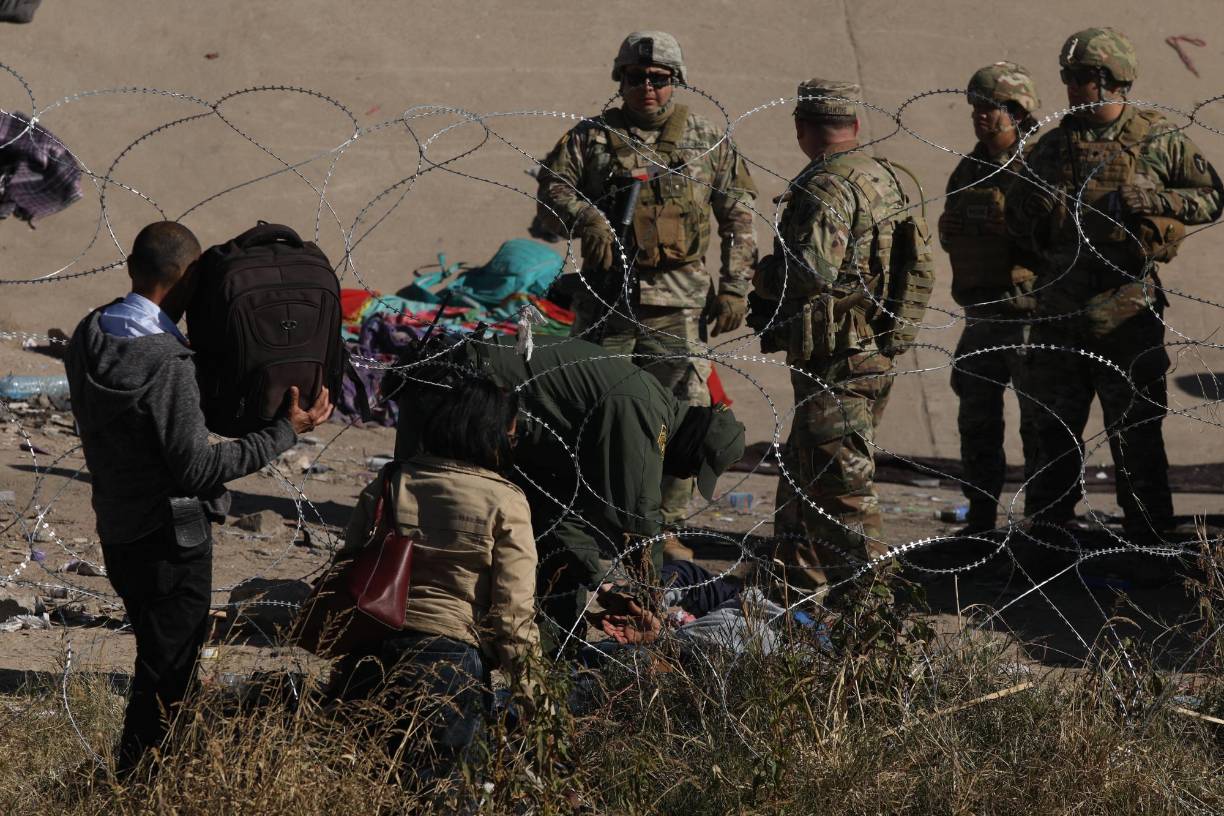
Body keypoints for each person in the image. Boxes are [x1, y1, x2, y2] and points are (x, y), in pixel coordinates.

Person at [64, 221, 333, 776]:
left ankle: (140, 779)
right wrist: (285, 433)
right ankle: (140, 786)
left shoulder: (91, 333)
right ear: (185, 282)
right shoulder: (168, 365)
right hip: (171, 540)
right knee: (169, 679)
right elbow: (196, 466)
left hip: (118, 527)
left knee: (156, 663)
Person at [1004, 28, 1222, 558]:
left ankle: (1147, 541)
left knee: (1136, 434)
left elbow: (1212, 198)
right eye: (1069, 77)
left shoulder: (1156, 139)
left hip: (1126, 311)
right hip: (1062, 311)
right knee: (1053, 432)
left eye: (1085, 77)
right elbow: (1017, 222)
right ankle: (1051, 538)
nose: (1074, 87)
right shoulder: (1053, 146)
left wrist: (1159, 200)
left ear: (1116, 80)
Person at [535, 31, 758, 547]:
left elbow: (738, 215)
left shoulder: (705, 139)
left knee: (682, 411)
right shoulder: (590, 138)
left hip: (677, 302)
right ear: (621, 80)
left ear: (675, 81)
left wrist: (735, 287)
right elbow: (552, 187)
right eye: (636, 78)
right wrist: (587, 217)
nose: (648, 88)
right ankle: (592, 514)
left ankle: (664, 525)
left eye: (659, 79)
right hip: (607, 300)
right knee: (595, 406)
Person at [392, 332, 746, 655]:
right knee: (408, 537)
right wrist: (651, 597)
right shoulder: (643, 412)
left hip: (464, 399)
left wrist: (601, 585)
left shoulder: (629, 411)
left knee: (539, 548)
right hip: (456, 395)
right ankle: (405, 645)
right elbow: (637, 521)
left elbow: (561, 515)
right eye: (691, 468)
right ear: (691, 445)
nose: (682, 475)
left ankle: (555, 657)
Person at [751, 79, 916, 598]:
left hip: (839, 356)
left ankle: (871, 612)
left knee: (842, 488)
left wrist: (764, 276)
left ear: (803, 128)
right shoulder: (883, 177)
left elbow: (812, 272)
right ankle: (793, 588)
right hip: (870, 347)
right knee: (805, 472)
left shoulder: (826, 187)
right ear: (854, 125)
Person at [330, 372, 540, 779]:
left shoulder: (393, 480)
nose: (511, 447)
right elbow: (513, 617)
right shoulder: (506, 501)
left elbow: (348, 564)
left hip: (369, 651)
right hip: (448, 663)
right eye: (510, 438)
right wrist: (536, 704)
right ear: (491, 435)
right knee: (440, 794)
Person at [940, 62, 1043, 537]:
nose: (982, 116)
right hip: (982, 315)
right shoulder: (970, 168)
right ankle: (981, 517)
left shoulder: (1039, 165)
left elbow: (1064, 236)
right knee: (977, 420)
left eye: (993, 108)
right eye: (977, 107)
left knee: (1039, 425)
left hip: (1029, 314)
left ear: (1018, 111)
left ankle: (1045, 519)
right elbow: (953, 232)